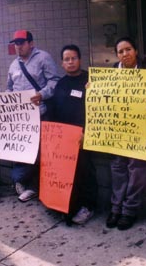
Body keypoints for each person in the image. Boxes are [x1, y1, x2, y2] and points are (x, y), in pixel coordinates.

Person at [105, 37, 146, 231]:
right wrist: (92, 90)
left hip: (140, 127)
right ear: (116, 55)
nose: (125, 54)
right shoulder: (110, 73)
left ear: (136, 50)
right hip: (118, 127)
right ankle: (115, 208)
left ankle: (130, 210)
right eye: (120, 51)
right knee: (117, 166)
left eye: (128, 49)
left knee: (137, 168)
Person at [6, 30, 60, 202]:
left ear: (31, 43)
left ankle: (37, 187)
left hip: (41, 114)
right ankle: (24, 183)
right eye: (16, 43)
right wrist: (3, 100)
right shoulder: (13, 65)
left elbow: (55, 81)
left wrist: (42, 94)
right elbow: (10, 88)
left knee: (41, 153)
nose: (18, 46)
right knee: (22, 151)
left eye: (21, 42)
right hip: (20, 119)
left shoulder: (43, 57)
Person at [47, 44, 98, 225]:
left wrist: (87, 133)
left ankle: (89, 206)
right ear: (62, 63)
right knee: (67, 175)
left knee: (86, 173)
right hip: (63, 140)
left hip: (84, 137)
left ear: (80, 60)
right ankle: (68, 205)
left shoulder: (90, 80)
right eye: (66, 59)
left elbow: (99, 109)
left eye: (73, 58)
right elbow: (53, 110)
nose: (70, 62)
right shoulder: (60, 84)